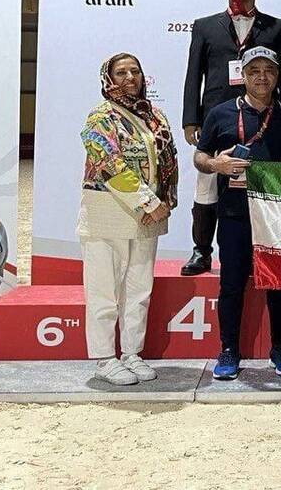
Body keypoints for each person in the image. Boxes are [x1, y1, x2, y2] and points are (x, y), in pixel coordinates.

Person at [194, 46, 281, 380]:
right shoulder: (220, 113)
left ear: (277, 76)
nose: (261, 77)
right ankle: (228, 349)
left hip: (278, 216)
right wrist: (217, 164)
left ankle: (280, 347)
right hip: (234, 213)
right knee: (231, 284)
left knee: (280, 284)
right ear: (242, 76)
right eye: (254, 70)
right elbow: (200, 157)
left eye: (268, 70)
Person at [181, 0, 281, 278]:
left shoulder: (277, 27)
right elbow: (194, 75)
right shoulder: (204, 25)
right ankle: (202, 250)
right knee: (207, 184)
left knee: (260, 186)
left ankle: (263, 249)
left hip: (262, 118)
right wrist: (191, 118)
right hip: (216, 118)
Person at [79, 53, 178, 386]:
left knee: (138, 291)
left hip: (147, 219)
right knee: (104, 291)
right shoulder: (100, 117)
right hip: (107, 214)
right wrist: (147, 202)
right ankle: (105, 358)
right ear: (108, 78)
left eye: (135, 71)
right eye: (121, 72)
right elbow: (108, 164)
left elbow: (168, 162)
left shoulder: (155, 116)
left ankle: (132, 353)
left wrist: (165, 201)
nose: (130, 77)